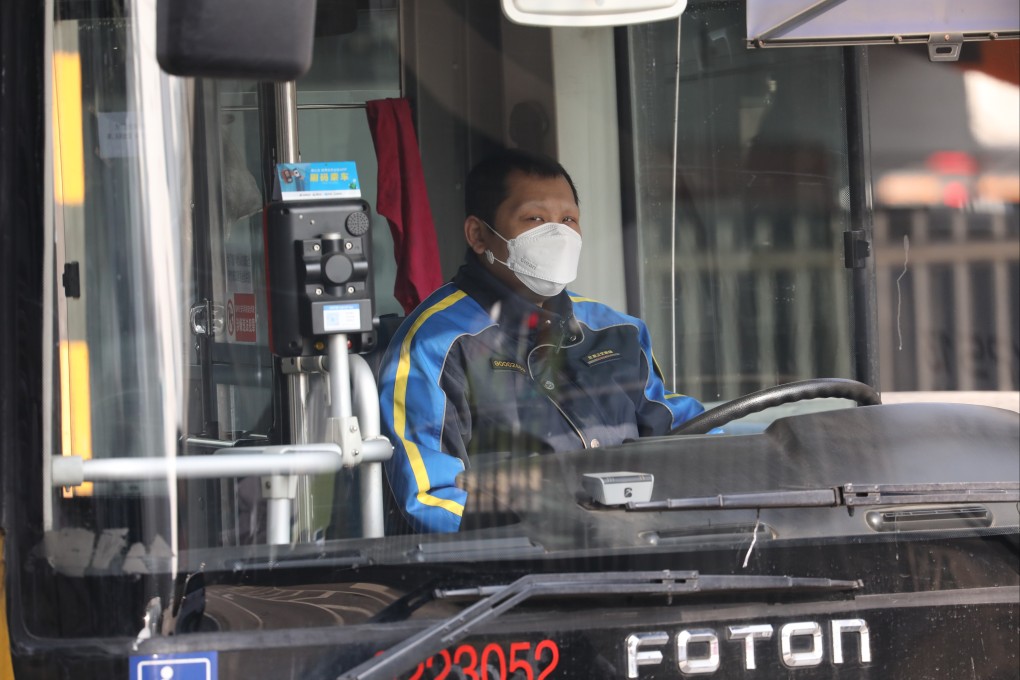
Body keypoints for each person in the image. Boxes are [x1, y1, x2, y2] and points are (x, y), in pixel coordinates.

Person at [378, 149, 706, 533]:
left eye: (568, 220)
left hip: (638, 555)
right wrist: (552, 532)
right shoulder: (436, 345)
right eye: (535, 219)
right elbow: (432, 498)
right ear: (479, 235)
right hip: (518, 576)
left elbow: (675, 430)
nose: (558, 235)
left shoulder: (618, 331)